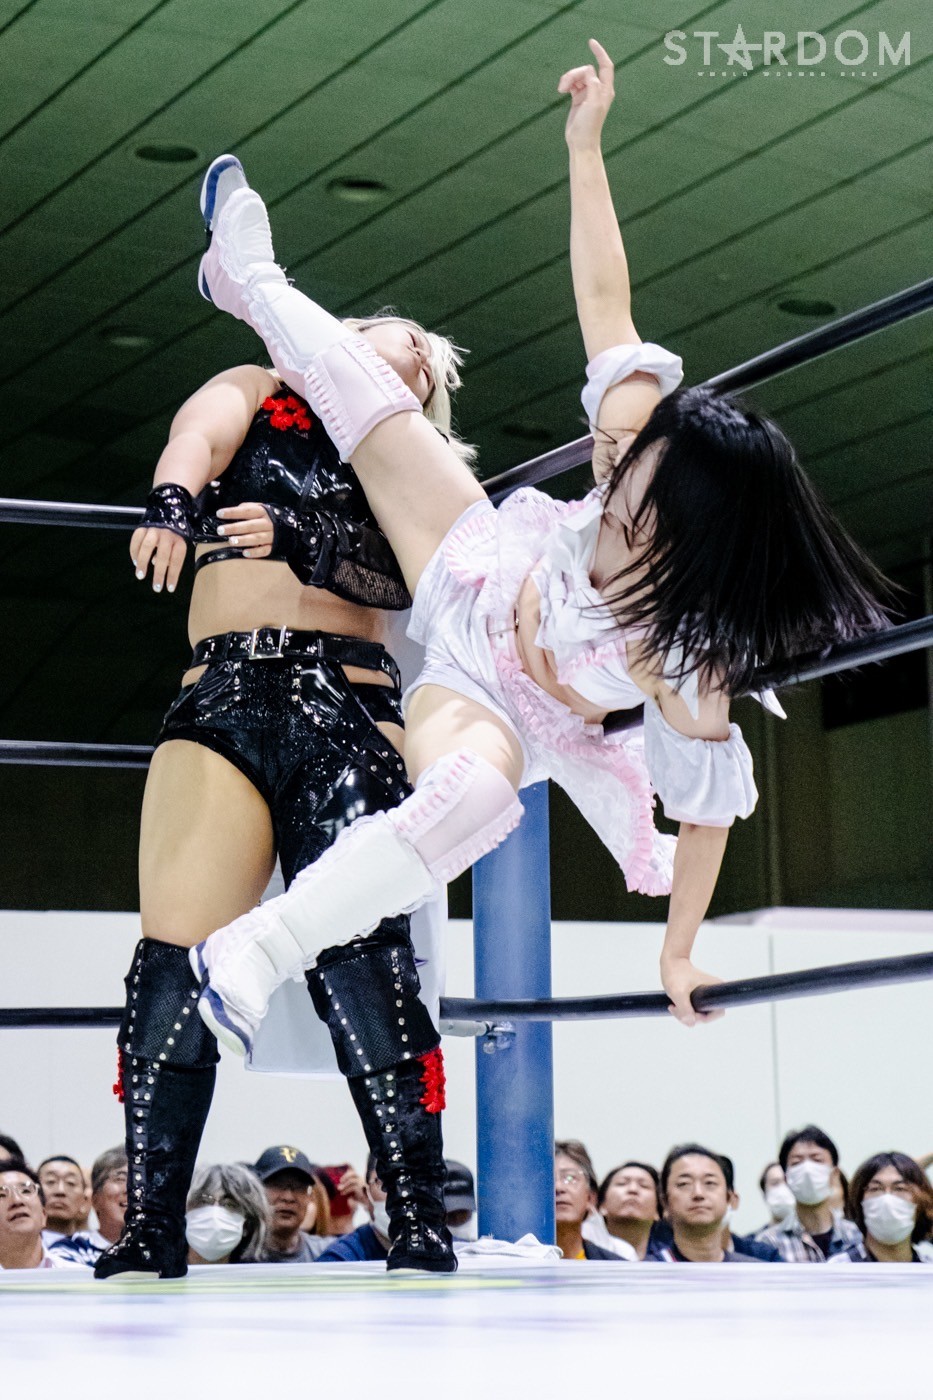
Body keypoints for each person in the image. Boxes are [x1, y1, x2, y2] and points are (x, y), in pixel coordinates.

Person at [191, 41, 891, 1229]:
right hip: (484, 561)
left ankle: (257, 949)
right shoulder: (639, 429)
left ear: (691, 535)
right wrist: (586, 146)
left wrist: (677, 952)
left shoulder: (685, 655)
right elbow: (605, 296)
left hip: (502, 697)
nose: (609, 474)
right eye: (617, 456)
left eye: (633, 485)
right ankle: (243, 276)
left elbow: (709, 814)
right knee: (373, 400)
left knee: (472, 797)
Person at [95, 281, 470, 1279]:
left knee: (367, 957)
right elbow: (199, 432)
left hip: (344, 699)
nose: (403, 357)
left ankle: (418, 1216)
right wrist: (173, 501)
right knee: (172, 958)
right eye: (389, 339)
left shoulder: (412, 458)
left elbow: (422, 573)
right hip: (218, 691)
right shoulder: (261, 387)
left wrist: (306, 538)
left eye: (420, 362)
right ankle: (150, 1223)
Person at [755, 1125, 862, 1262]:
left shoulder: (857, 1236)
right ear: (787, 1178)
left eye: (817, 1160)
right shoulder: (768, 1243)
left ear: (835, 1174)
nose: (807, 1170)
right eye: (796, 1162)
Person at [649, 1145, 755, 1263]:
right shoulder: (645, 1271)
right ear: (664, 1201)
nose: (698, 1193)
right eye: (684, 1184)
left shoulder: (754, 1271)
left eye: (710, 1183)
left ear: (729, 1198)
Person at [830, 1153, 933, 1264]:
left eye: (899, 1188)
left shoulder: (928, 1269)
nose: (887, 1199)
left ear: (921, 1202)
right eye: (876, 1189)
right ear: (859, 1201)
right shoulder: (838, 1268)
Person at [254, 1146, 335, 1263]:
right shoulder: (235, 1254)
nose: (288, 1197)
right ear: (256, 1191)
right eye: (278, 1184)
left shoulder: (327, 1254)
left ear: (309, 1197)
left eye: (299, 1187)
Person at [47, 1148, 127, 1266]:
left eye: (141, 1182)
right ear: (94, 1199)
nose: (131, 1189)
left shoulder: (156, 1249)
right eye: (120, 1179)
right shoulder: (70, 1249)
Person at [185, 1163, 271, 1265]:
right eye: (203, 1201)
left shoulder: (263, 1274)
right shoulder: (167, 1271)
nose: (215, 1213)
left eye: (229, 1204)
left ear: (247, 1225)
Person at [554, 1142, 621, 1261]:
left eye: (570, 1178)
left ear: (590, 1198)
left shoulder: (615, 1265)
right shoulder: (519, 1263)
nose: (558, 1187)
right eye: (548, 1179)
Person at [318, 1153, 390, 1263]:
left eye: (413, 1181)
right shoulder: (338, 1260)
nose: (401, 1194)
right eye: (385, 1182)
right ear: (366, 1193)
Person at [0, 1165, 69, 1270]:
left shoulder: (80, 1276)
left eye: (26, 1191)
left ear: (44, 1215)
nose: (17, 1200)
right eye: (1, 1195)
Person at [595, 1161, 660, 1260]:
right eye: (622, 1183)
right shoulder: (584, 1251)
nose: (633, 1189)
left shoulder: (668, 1260)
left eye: (644, 1185)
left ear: (657, 1211)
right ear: (601, 1205)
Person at [36, 1155, 90, 1243]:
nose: (60, 1191)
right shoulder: (21, 1246)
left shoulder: (97, 1248)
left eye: (70, 1183)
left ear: (84, 1200)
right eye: (51, 1181)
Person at [758, 1161, 795, 1229]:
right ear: (764, 1193)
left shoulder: (811, 1235)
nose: (783, 1189)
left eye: (787, 1182)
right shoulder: (758, 1236)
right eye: (775, 1183)